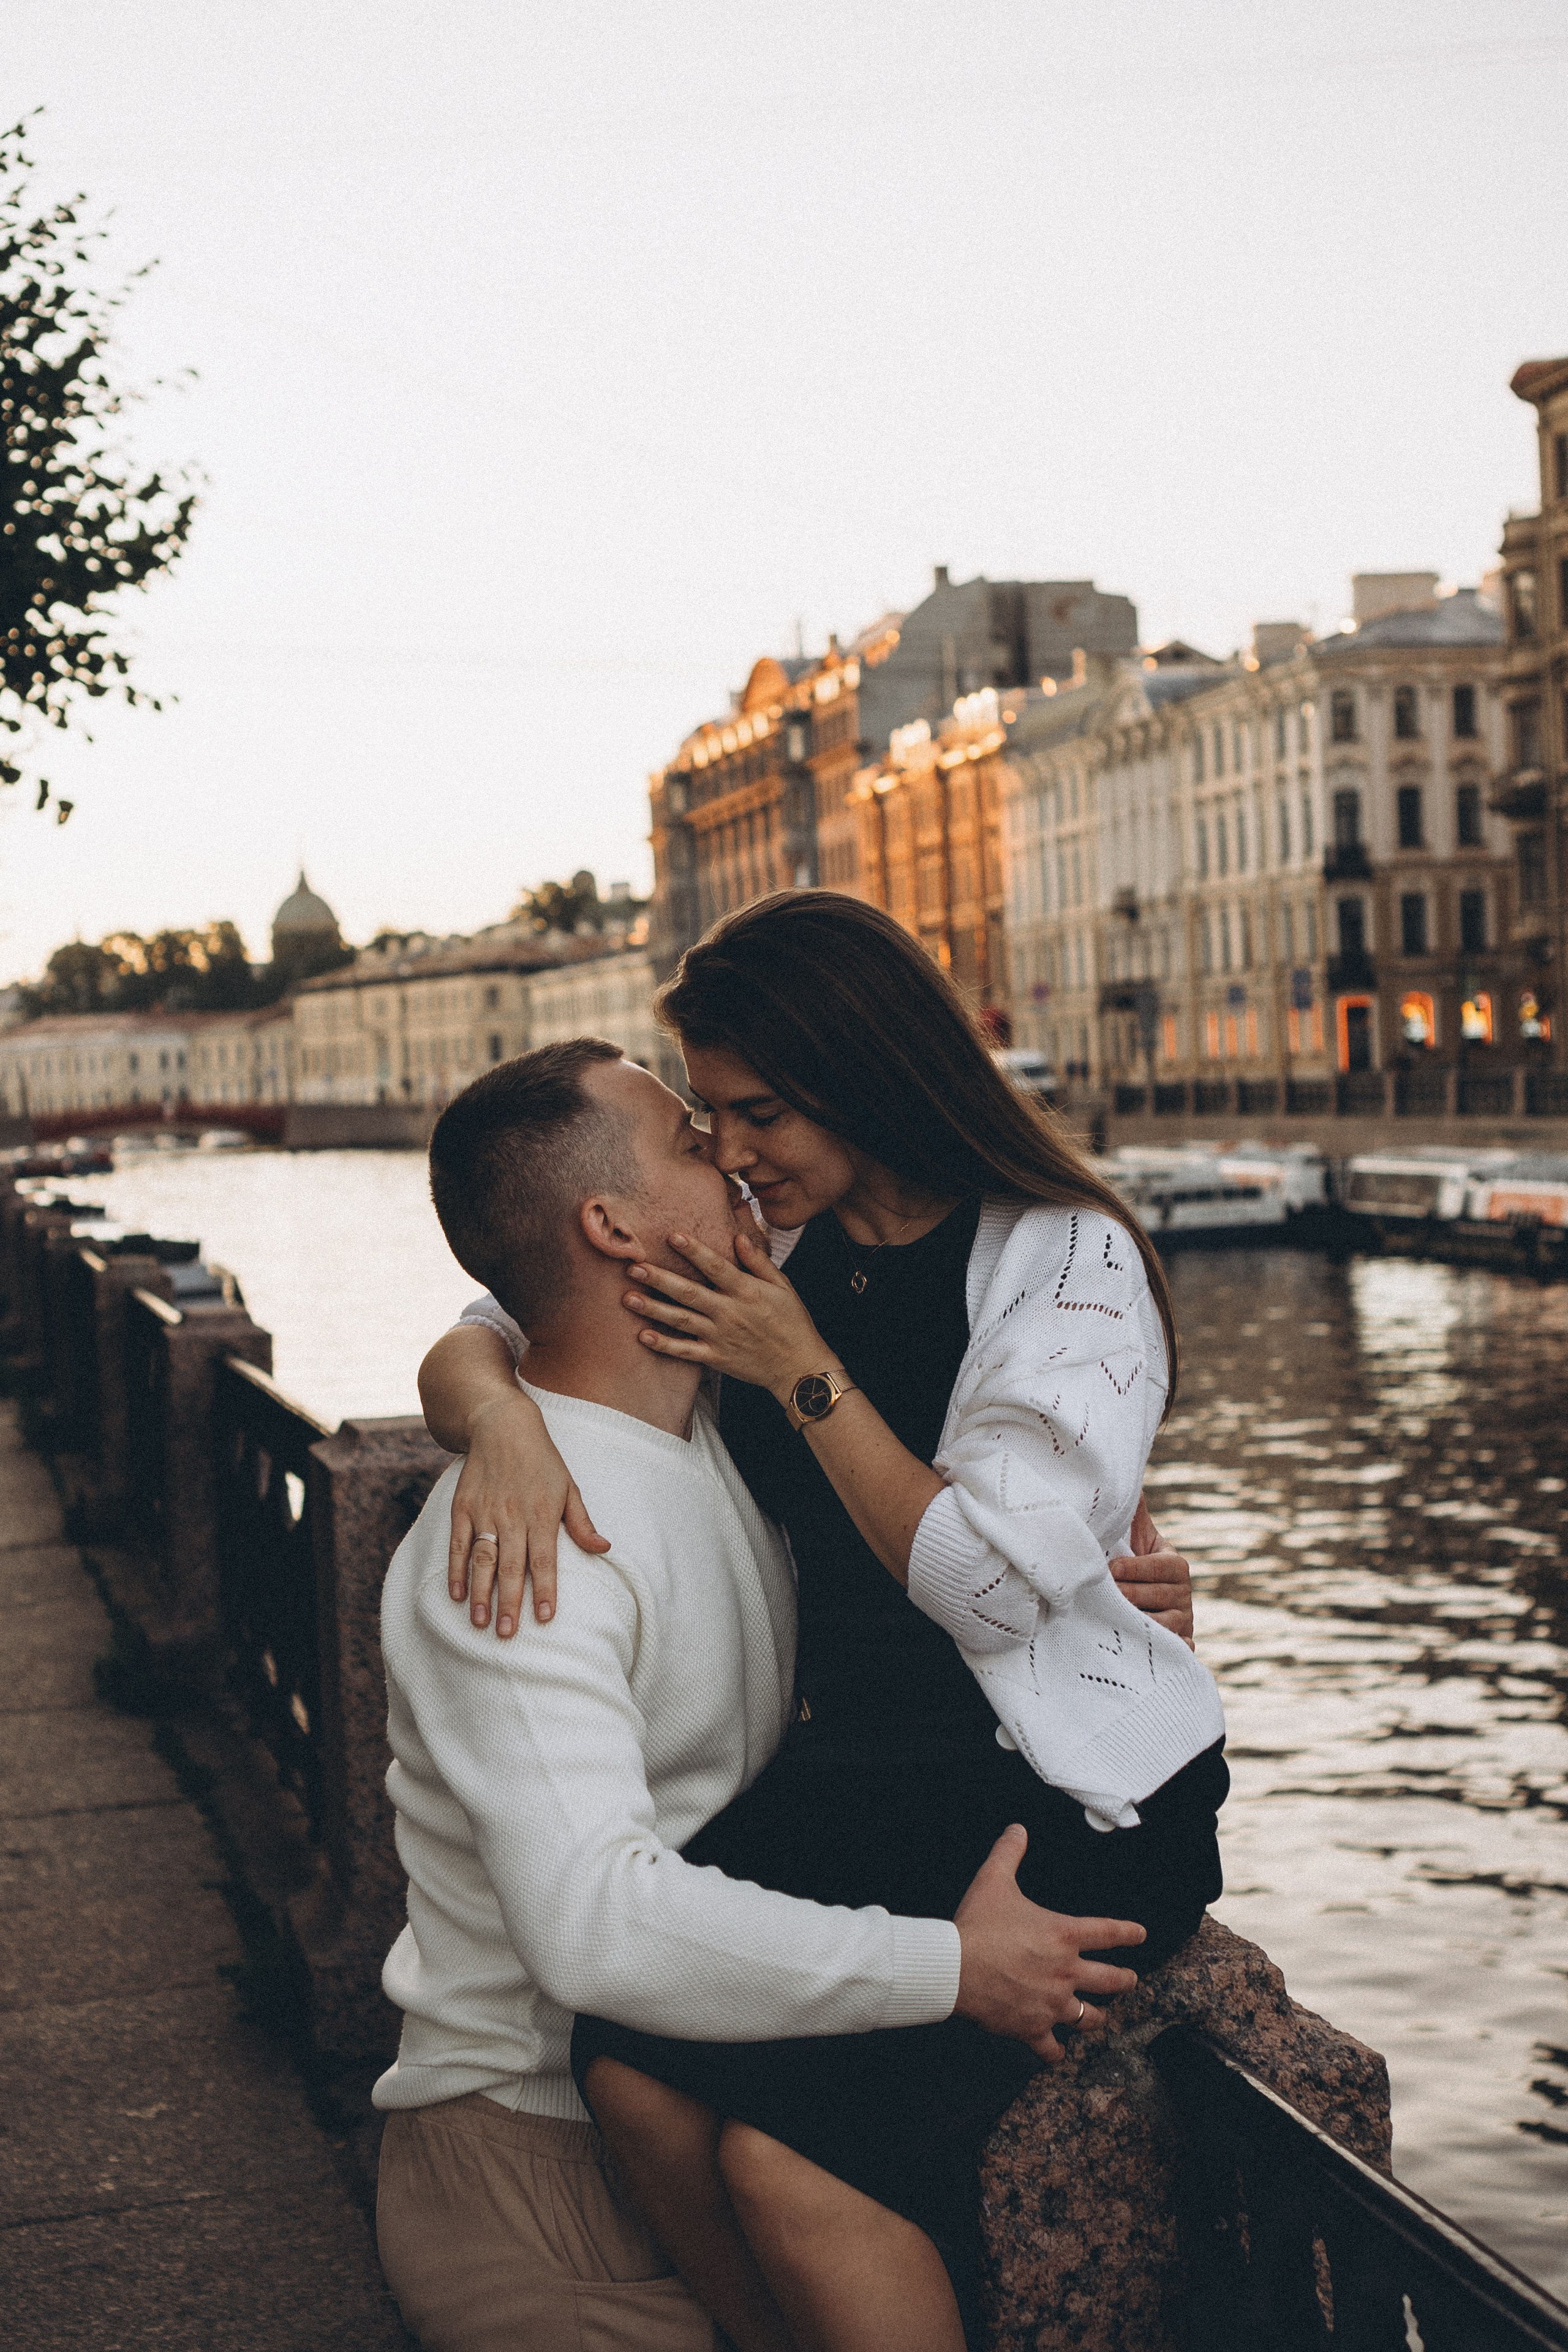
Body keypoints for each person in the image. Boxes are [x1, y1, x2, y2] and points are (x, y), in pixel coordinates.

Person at [420, 891, 1226, 2350]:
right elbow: (513, 1292)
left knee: (790, 2164)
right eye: (708, 1122)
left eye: (759, 1113)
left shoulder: (1061, 1259)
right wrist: (497, 1421)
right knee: (628, 2071)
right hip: (863, 1773)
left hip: (1045, 1792)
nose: (732, 1152)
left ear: (865, 1072)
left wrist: (803, 1374)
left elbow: (990, 1590)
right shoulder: (773, 1244)